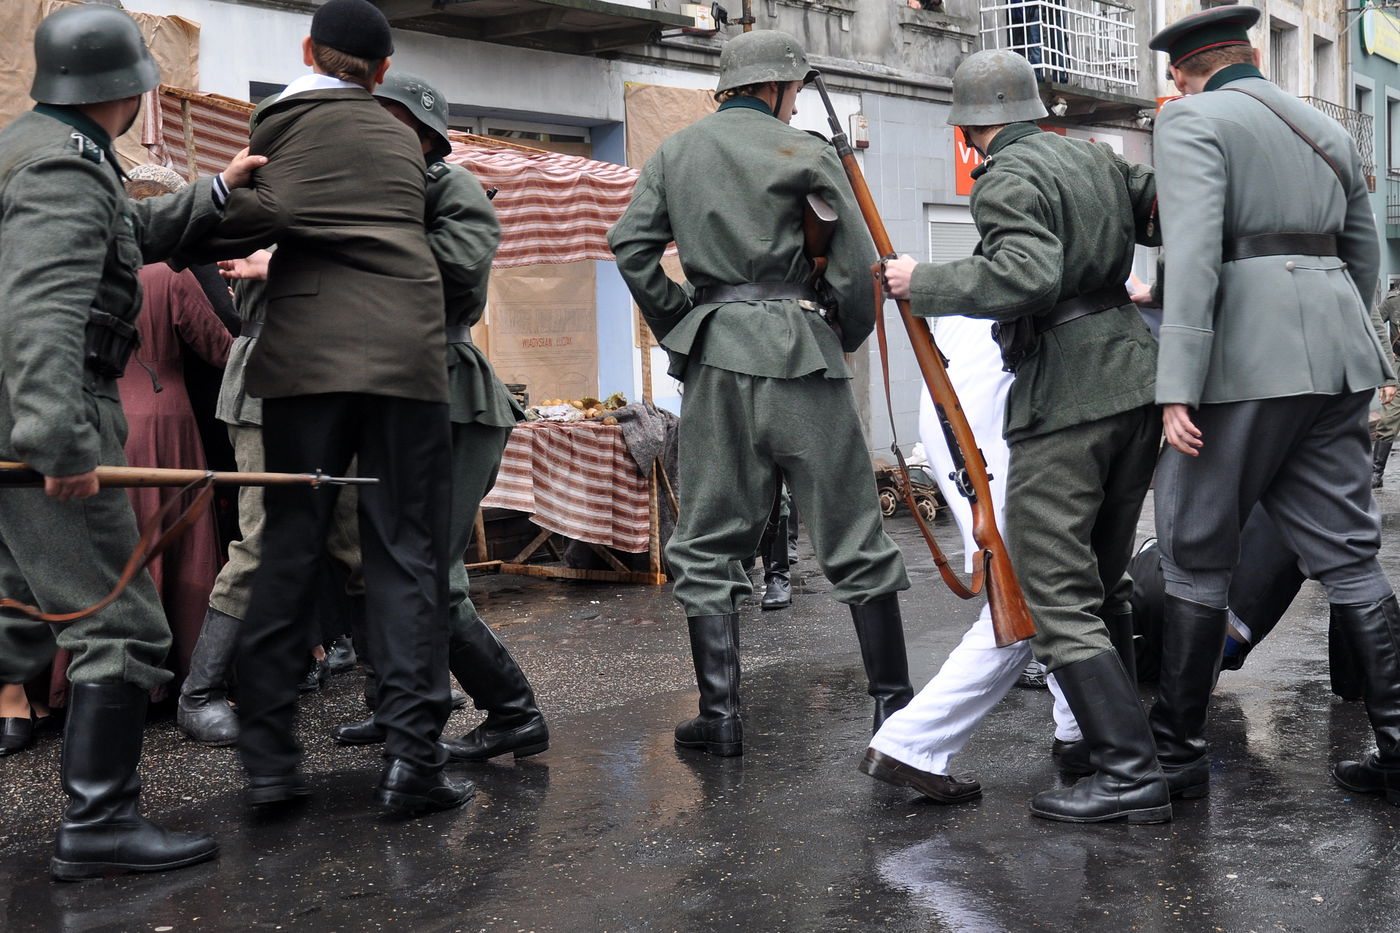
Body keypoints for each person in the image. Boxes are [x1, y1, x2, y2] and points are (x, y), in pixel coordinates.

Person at [0, 3, 263, 878]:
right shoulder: (64, 171)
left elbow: (124, 240)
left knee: (19, 624)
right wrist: (59, 440)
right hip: (42, 424)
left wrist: (215, 194)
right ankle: (100, 827)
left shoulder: (41, 150)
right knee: (120, 622)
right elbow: (41, 309)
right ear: (123, 90)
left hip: (20, 422)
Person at [186, 0, 467, 814]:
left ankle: (272, 763)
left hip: (308, 361)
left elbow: (259, 216)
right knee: (407, 556)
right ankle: (414, 760)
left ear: (307, 49)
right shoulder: (402, 137)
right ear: (384, 72)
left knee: (289, 546)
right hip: (409, 356)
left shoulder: (283, 117)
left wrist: (180, 225)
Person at [609, 29, 914, 758]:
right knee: (852, 536)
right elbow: (854, 263)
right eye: (795, 91)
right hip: (802, 353)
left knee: (709, 542)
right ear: (778, 88)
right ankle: (893, 715)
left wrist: (685, 320)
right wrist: (844, 327)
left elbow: (631, 245)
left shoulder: (677, 152)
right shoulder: (807, 152)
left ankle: (721, 716)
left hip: (716, 361)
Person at [883, 48, 1164, 823]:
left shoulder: (1006, 175)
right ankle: (1106, 747)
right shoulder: (1095, 159)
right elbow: (1170, 211)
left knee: (1051, 585)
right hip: (1135, 381)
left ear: (974, 128)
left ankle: (1130, 772)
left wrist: (923, 281)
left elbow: (1028, 276)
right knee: (1104, 584)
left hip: (1067, 394)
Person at [1148, 4, 1400, 807]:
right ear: (1252, 55)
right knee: (1349, 553)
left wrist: (1176, 382)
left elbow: (1192, 257)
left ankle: (1176, 756)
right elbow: (1366, 256)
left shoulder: (1191, 121)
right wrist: (1332, 334)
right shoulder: (1326, 129)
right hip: (1335, 354)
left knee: (1193, 544)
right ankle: (1398, 749)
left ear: (1186, 71)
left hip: (1244, 360)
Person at [325, 70, 549, 762]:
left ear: (425, 136)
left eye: (392, 121)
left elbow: (450, 273)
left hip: (452, 395)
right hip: (389, 391)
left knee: (431, 577)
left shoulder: (450, 189)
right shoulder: (375, 194)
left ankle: (514, 711)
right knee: (371, 564)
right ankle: (400, 709)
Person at [860, 315, 1085, 803]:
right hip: (983, 418)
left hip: (966, 407)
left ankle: (1079, 729)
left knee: (1040, 586)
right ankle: (910, 743)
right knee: (1030, 589)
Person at [118, 174, 233, 696]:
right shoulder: (169, 272)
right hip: (168, 421)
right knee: (180, 538)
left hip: (106, 420)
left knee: (117, 547)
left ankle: (113, 678)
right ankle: (183, 672)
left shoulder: (86, 270)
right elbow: (219, 347)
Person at [1374, 282, 1400, 488]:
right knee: (1388, 419)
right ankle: (1376, 474)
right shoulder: (1393, 301)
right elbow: (1372, 325)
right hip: (1398, 368)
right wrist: (1385, 353)